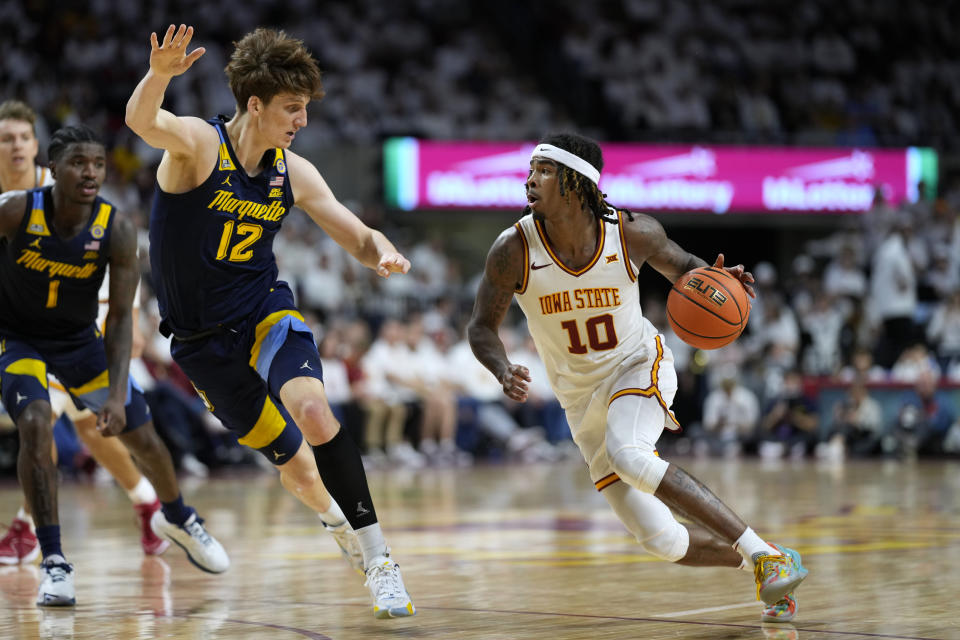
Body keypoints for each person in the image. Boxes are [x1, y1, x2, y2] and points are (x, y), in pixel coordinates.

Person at [124, 25, 414, 618]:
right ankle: (336, 522)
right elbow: (143, 124)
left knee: (313, 409)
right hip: (201, 341)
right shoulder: (199, 147)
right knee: (301, 473)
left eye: (305, 108)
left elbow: (357, 234)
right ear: (254, 104)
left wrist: (381, 250)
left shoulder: (293, 173)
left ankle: (381, 560)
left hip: (263, 312)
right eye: (292, 108)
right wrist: (159, 75)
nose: (302, 121)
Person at [467, 133, 808, 623]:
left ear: (573, 182)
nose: (529, 178)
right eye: (529, 169)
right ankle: (766, 559)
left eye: (542, 170)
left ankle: (764, 555)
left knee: (631, 454)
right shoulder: (513, 249)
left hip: (637, 365)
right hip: (580, 402)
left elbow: (687, 268)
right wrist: (501, 368)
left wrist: (720, 281)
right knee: (663, 540)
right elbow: (481, 326)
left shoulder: (632, 233)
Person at [0, 124, 229, 607]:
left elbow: (122, 317)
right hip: (18, 340)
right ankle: (55, 561)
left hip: (80, 343)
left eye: (98, 164)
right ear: (54, 169)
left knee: (141, 435)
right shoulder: (19, 210)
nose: (90, 172)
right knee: (37, 424)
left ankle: (178, 514)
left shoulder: (117, 229)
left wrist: (120, 394)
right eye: (78, 163)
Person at [0, 100, 168, 565]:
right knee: (91, 433)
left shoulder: (59, 188)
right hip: (26, 318)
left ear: (36, 146)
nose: (15, 146)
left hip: (85, 316)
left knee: (46, 415)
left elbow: (111, 240)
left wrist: (131, 315)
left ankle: (28, 528)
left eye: (22, 137)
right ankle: (148, 503)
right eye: (6, 138)